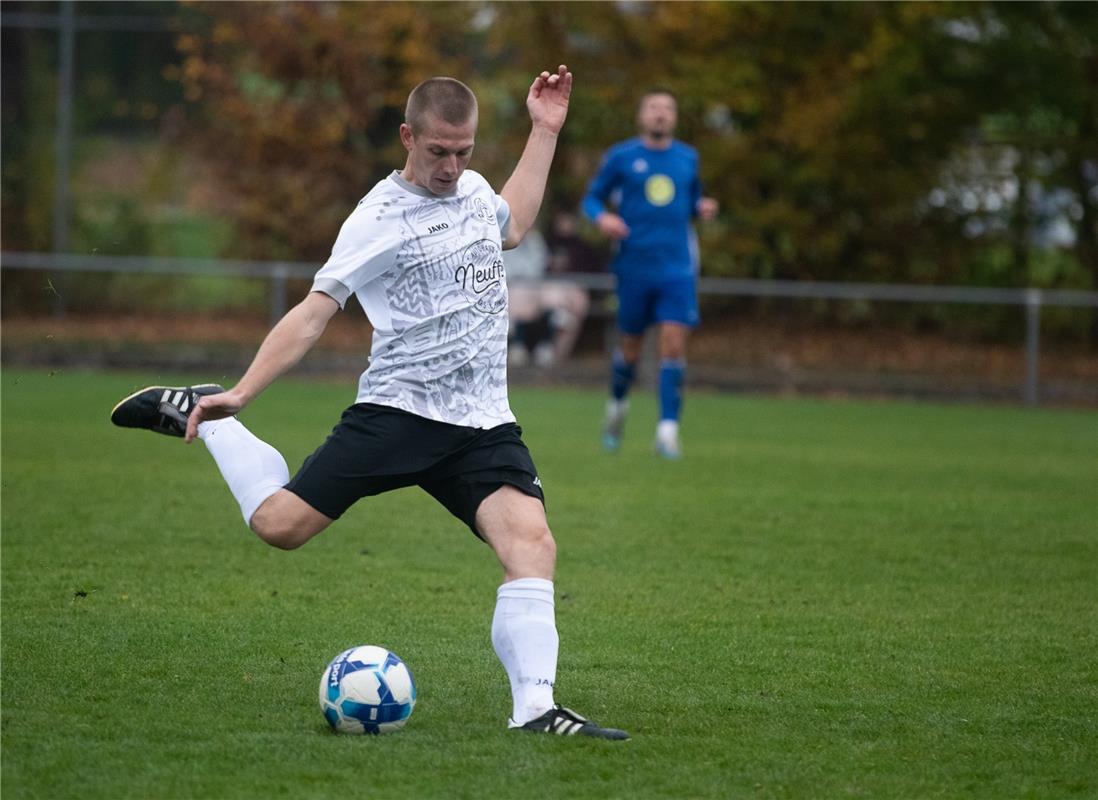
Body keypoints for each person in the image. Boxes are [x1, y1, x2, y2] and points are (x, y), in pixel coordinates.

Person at [110, 66, 628, 740]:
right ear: (408, 137)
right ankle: (207, 418)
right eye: (437, 151)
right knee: (279, 527)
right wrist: (241, 392)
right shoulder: (376, 219)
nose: (450, 167)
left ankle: (536, 708)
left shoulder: (473, 192)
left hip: (480, 422)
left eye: (463, 152)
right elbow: (311, 316)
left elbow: (517, 224)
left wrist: (544, 130)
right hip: (397, 413)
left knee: (532, 544)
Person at [582, 89, 719, 459]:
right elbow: (591, 198)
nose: (660, 114)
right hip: (634, 267)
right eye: (654, 108)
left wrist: (701, 207)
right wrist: (603, 217)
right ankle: (616, 410)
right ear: (642, 116)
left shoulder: (688, 158)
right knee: (630, 349)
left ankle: (667, 431)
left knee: (673, 344)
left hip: (677, 268)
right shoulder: (623, 157)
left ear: (674, 117)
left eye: (667, 109)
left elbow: (690, 202)